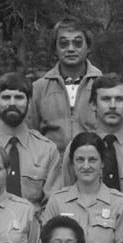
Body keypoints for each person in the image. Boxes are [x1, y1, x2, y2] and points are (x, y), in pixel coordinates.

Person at [0, 72, 63, 211]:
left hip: (34, 229)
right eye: (6, 97)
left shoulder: (47, 150)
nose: (12, 103)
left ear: (30, 102)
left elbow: (52, 207)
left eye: (19, 97)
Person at [63, 73, 123, 206]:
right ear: (94, 105)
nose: (112, 106)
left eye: (119, 99)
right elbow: (67, 198)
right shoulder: (76, 148)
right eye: (106, 99)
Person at [28, 18, 103, 151]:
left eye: (78, 43)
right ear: (55, 49)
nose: (70, 49)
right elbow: (31, 134)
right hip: (52, 166)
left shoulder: (103, 85)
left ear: (88, 47)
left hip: (92, 165)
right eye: (63, 43)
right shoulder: (39, 88)